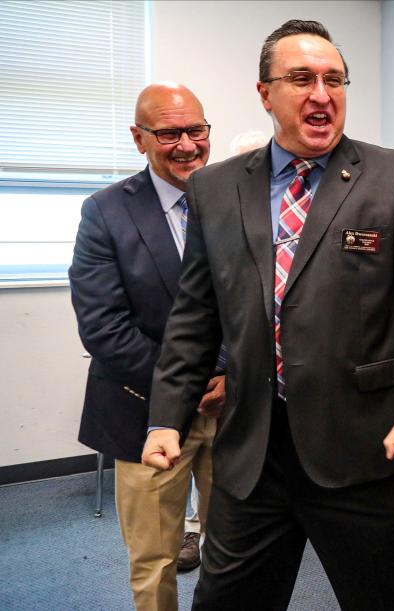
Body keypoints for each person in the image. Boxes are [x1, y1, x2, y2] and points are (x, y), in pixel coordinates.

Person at [141, 19, 394, 611]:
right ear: (265, 93)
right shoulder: (216, 187)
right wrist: (167, 417)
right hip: (253, 453)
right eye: (302, 78)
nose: (322, 93)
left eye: (335, 79)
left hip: (365, 448)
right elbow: (195, 314)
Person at [69, 82, 223, 610]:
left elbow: (258, 306)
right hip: (146, 408)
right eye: (168, 133)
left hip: (234, 407)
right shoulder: (105, 213)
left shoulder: (238, 200)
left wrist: (227, 374)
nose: (186, 144)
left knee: (237, 550)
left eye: (195, 130)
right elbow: (103, 327)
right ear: (139, 138)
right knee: (155, 561)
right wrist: (191, 382)